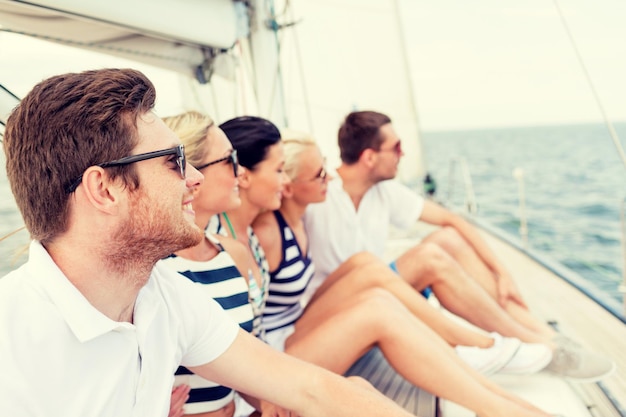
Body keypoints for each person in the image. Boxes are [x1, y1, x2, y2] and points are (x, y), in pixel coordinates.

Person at [0, 68, 426, 417]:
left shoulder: (161, 297)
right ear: (105, 189)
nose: (195, 178)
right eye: (174, 161)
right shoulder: (13, 341)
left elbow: (311, 389)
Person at [216, 116, 557, 417]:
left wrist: (503, 274)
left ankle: (490, 362)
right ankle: (483, 356)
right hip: (272, 359)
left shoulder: (267, 225)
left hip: (288, 333)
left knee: (369, 270)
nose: (328, 180)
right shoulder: (258, 232)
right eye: (281, 172)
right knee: (377, 308)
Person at [303, 109, 615, 382]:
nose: (403, 154)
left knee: (447, 240)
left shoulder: (383, 192)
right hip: (333, 306)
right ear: (370, 157)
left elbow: (455, 221)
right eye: (396, 147)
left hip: (376, 288)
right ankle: (537, 346)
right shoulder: (316, 196)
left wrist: (502, 273)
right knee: (428, 257)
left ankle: (541, 334)